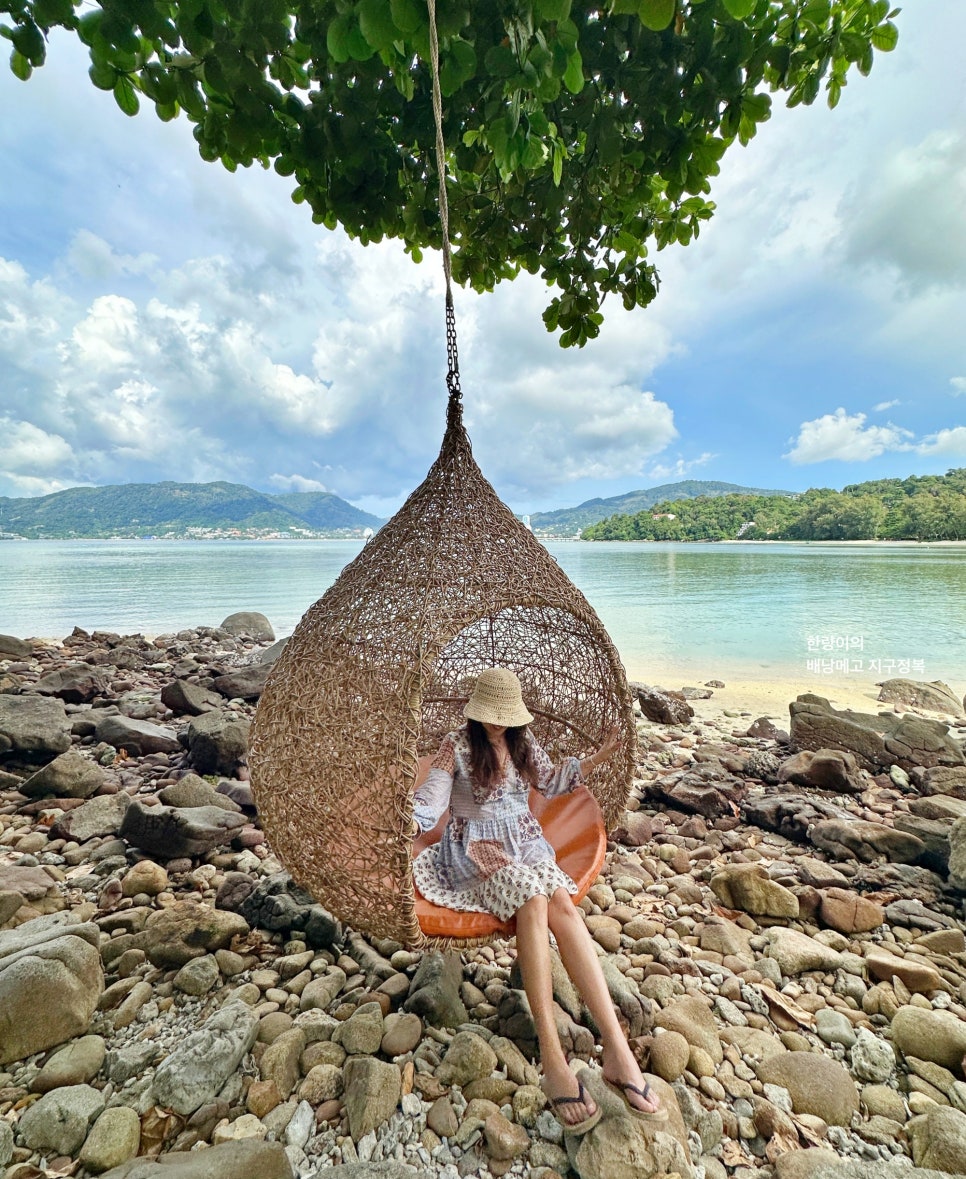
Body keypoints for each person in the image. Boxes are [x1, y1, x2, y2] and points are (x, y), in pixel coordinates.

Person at [412, 667, 665, 1133]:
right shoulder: (458, 745)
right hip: (476, 853)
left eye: (504, 717)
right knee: (532, 898)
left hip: (525, 843)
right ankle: (552, 1058)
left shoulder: (522, 743)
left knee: (562, 903)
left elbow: (550, 781)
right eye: (490, 716)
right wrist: (409, 816)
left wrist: (602, 755)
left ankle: (616, 1048)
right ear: (475, 712)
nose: (497, 724)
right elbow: (432, 793)